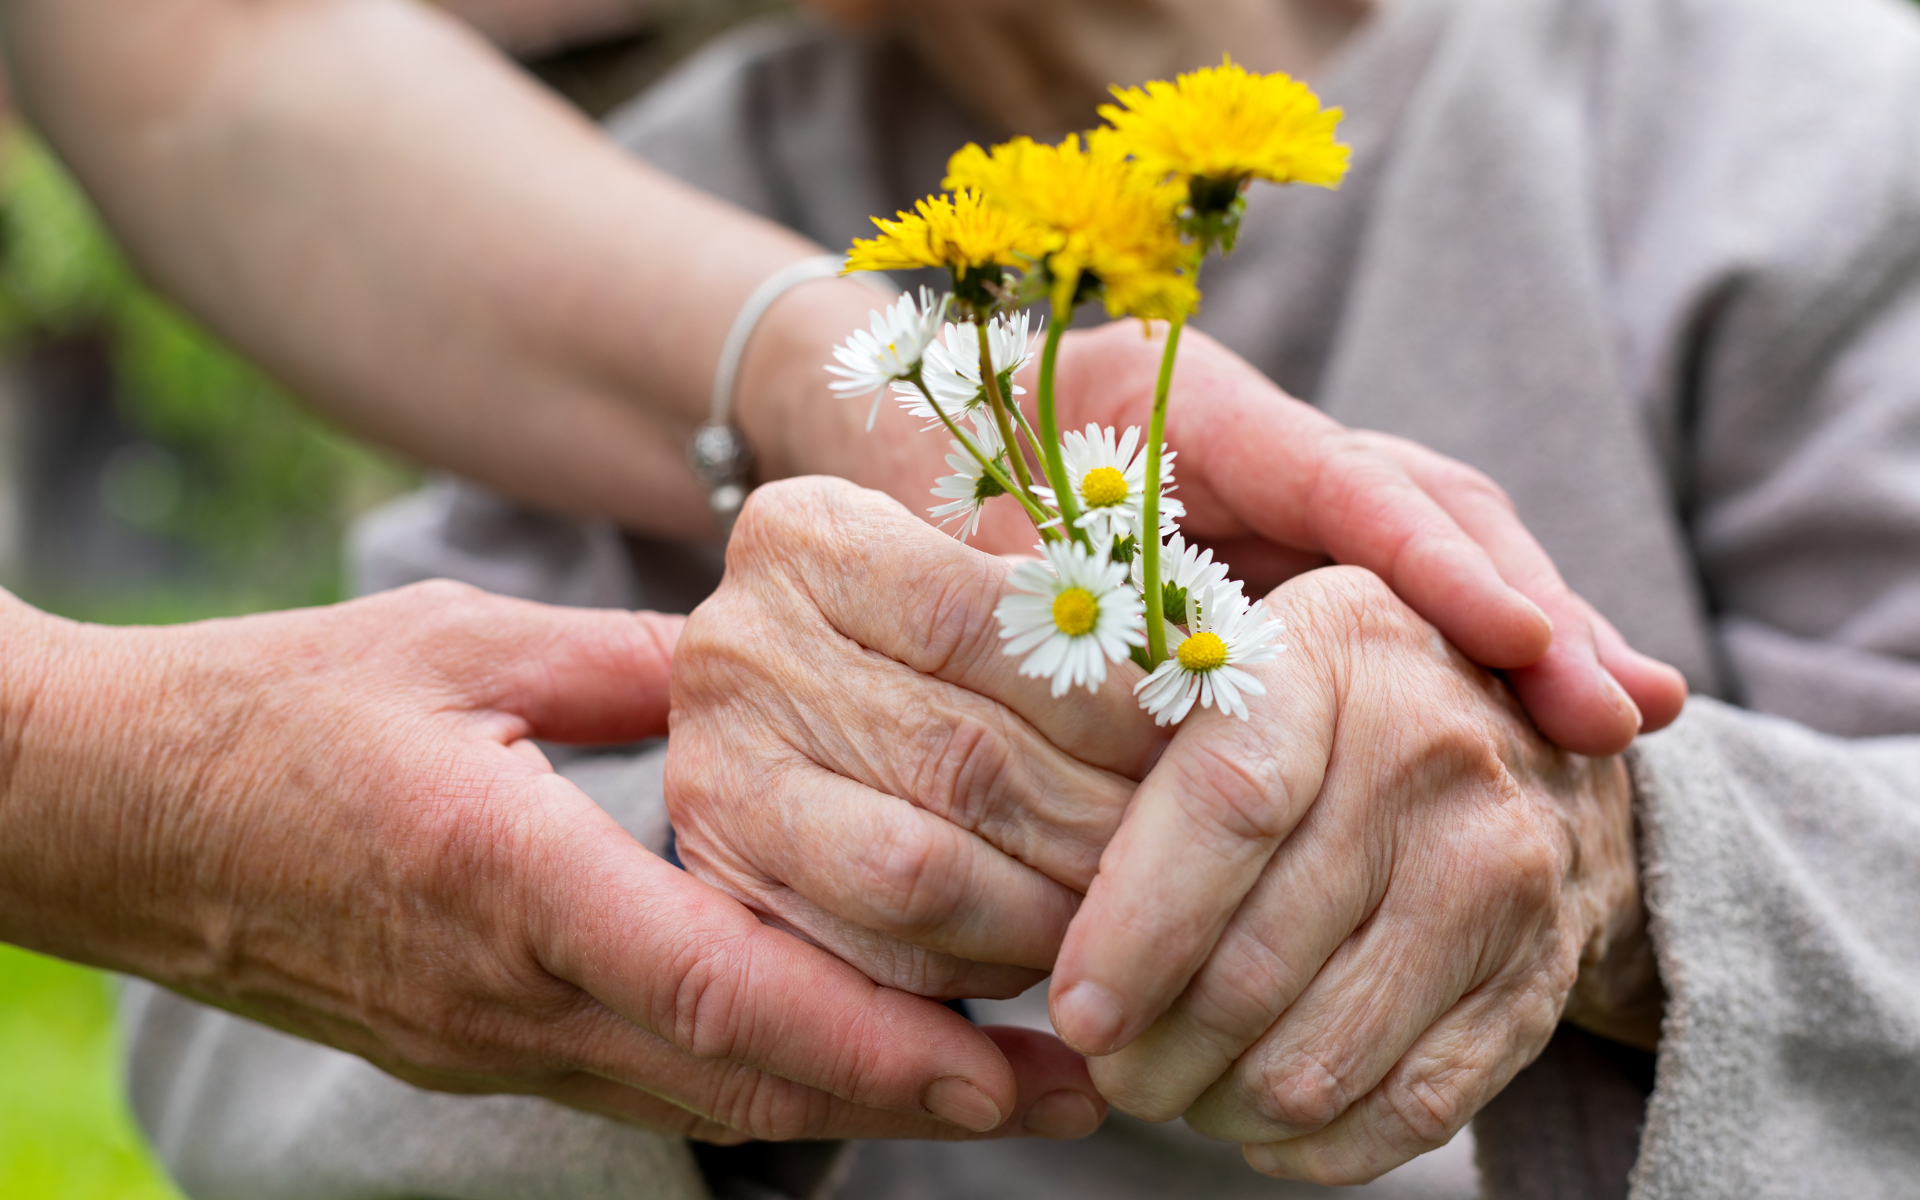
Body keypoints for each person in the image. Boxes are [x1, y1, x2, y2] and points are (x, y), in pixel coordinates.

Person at [117, 0, 1920, 1195]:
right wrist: (735, 887)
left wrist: (1621, 869)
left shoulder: (1791, 132)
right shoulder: (646, 220)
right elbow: (227, 1029)